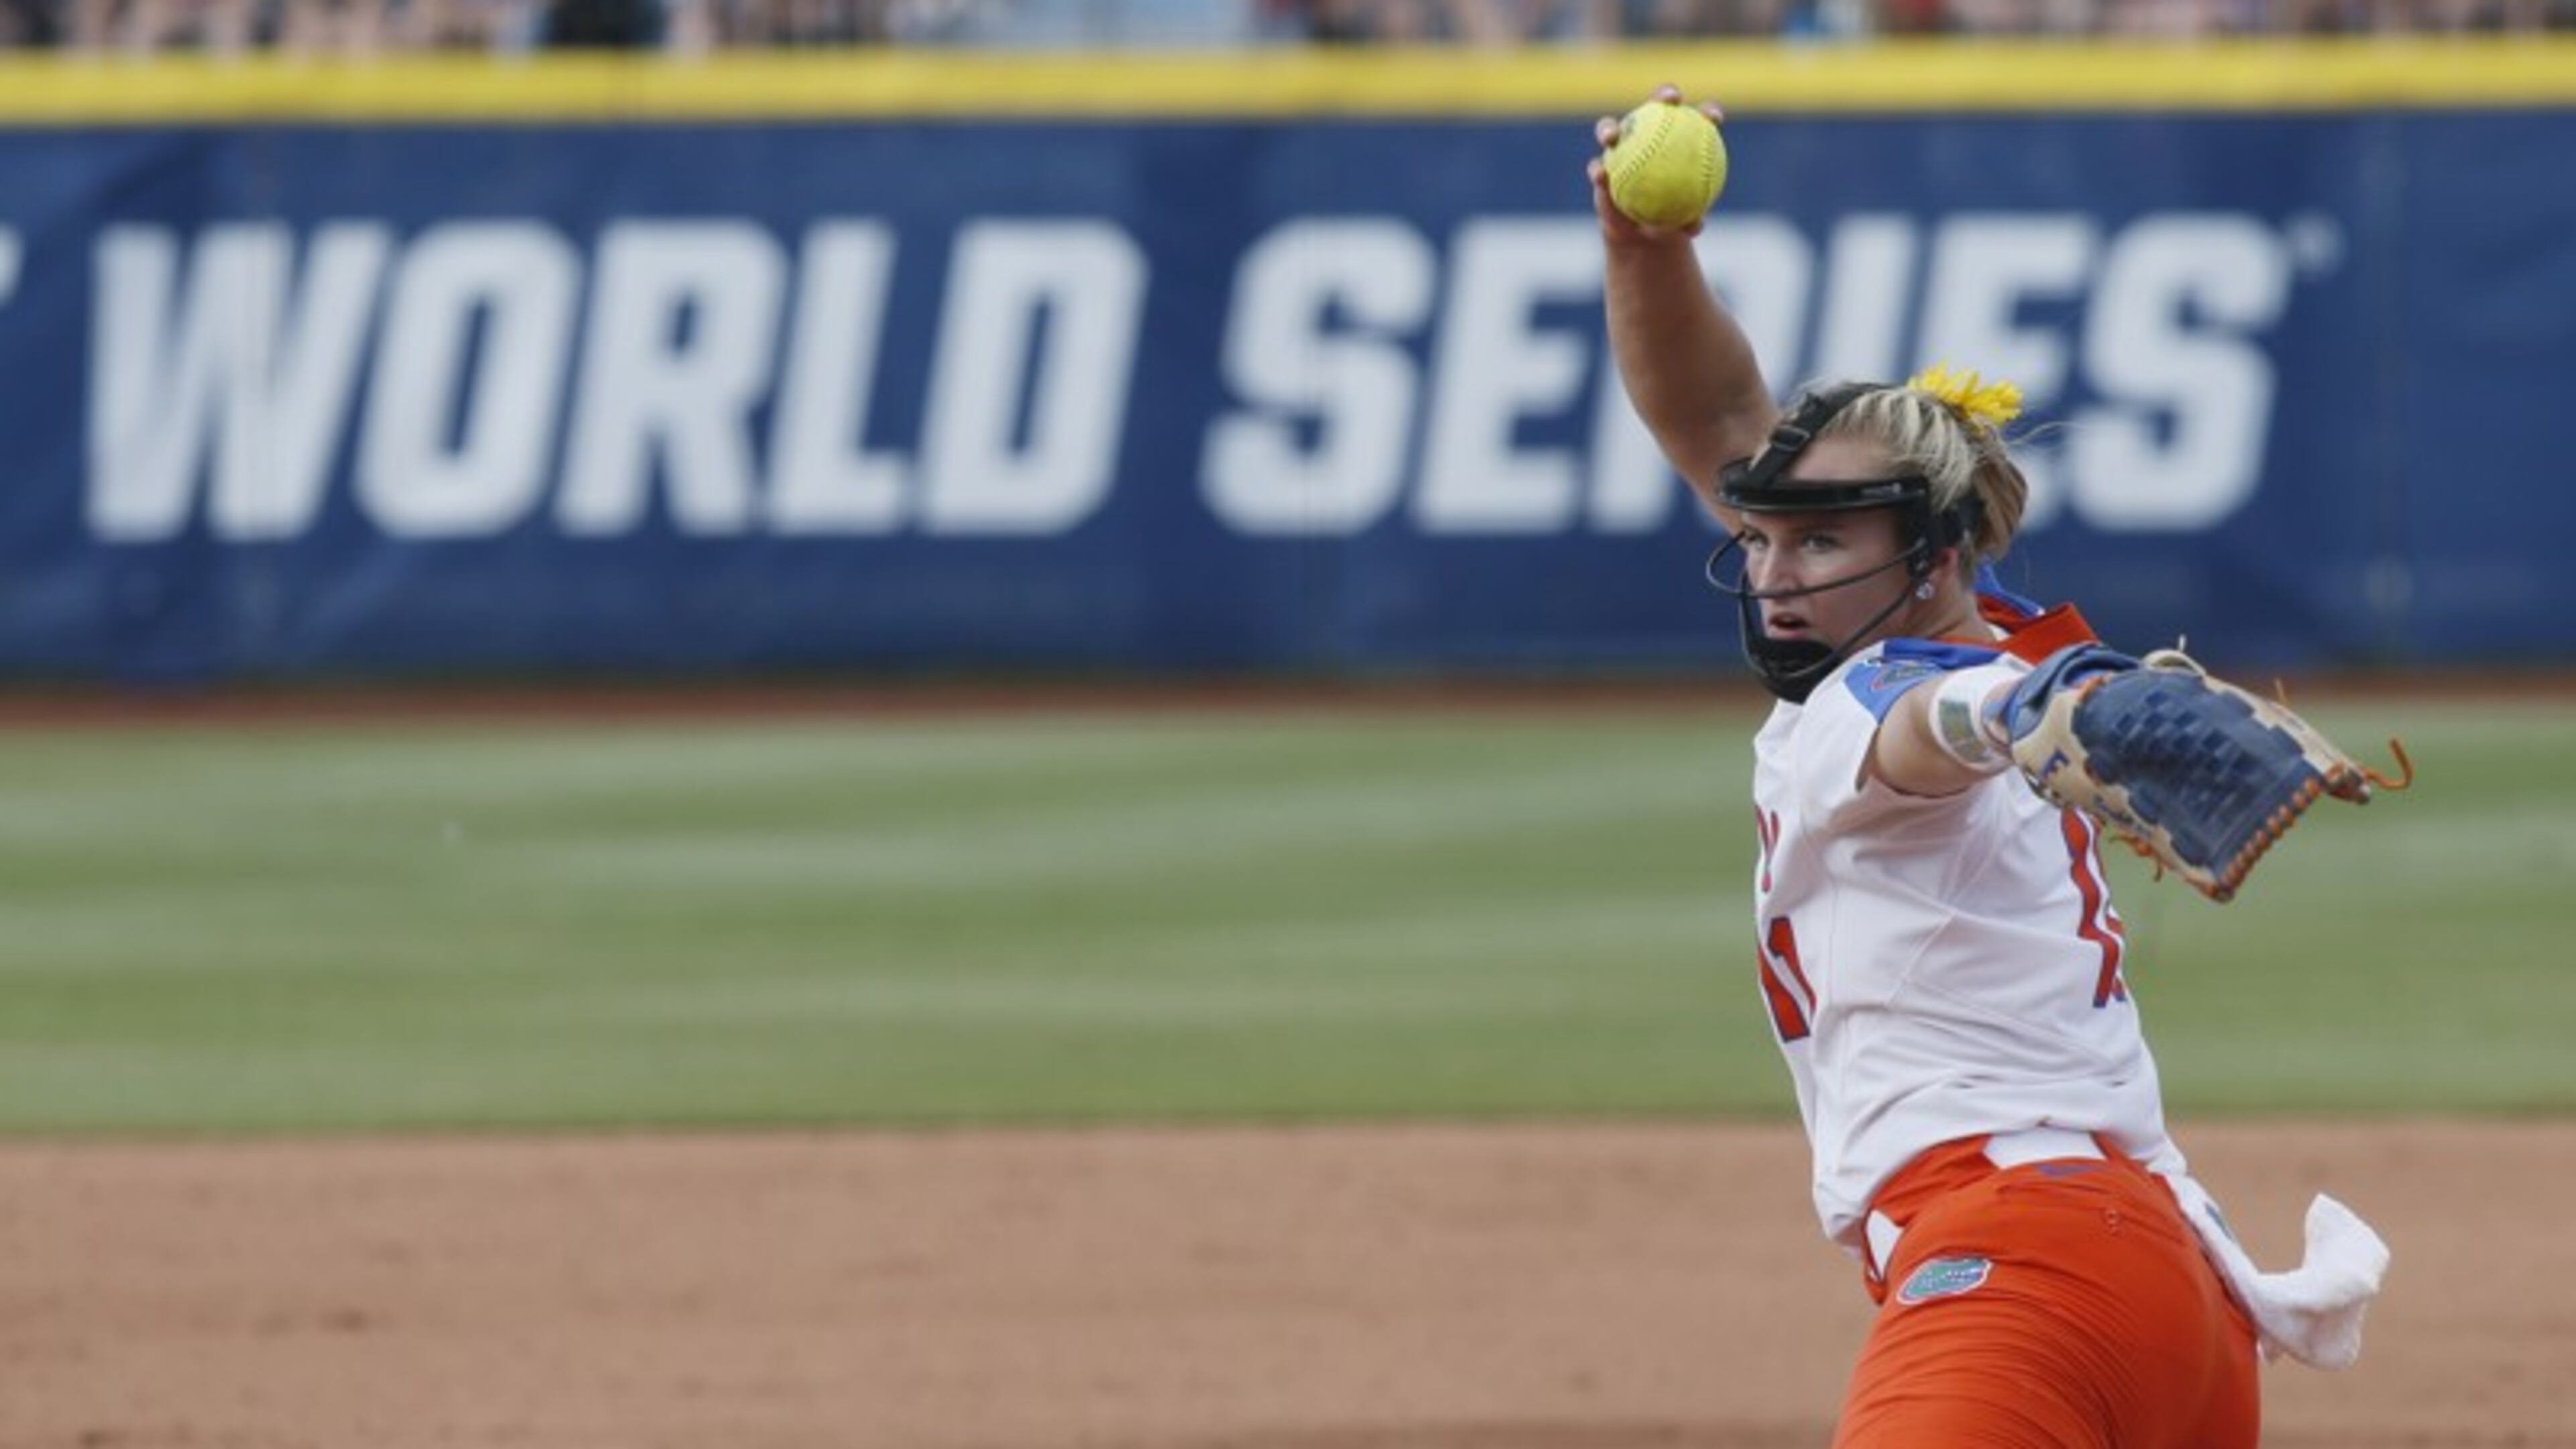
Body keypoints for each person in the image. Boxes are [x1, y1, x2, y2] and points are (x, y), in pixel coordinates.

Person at [1590, 87, 2390, 1448]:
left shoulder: (1889, 693)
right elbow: (1718, 414)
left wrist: (2038, 710)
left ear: (1937, 557)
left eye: (1819, 545)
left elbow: (1952, 720)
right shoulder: (1967, 621)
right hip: (2170, 1300)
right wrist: (1645, 248)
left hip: (2023, 1276)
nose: (1777, 577)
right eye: (1765, 540)